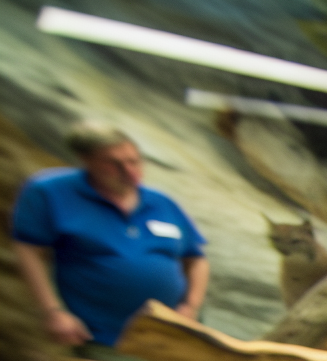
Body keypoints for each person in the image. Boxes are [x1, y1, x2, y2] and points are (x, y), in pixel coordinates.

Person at [11, 121, 208, 349]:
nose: (129, 172)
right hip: (100, 337)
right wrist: (52, 312)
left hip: (173, 335)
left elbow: (196, 259)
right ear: (86, 160)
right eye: (114, 164)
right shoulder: (49, 191)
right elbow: (28, 250)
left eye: (133, 161)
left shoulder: (162, 202)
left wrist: (190, 307)